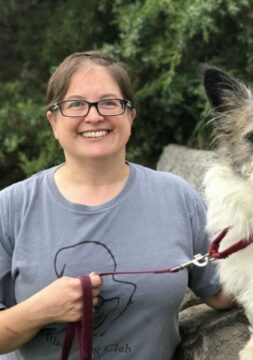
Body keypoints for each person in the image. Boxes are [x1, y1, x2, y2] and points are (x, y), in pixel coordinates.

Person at [0, 51, 233, 359]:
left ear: (130, 116)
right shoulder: (10, 207)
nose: (94, 116)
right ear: (53, 121)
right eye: (76, 104)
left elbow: (220, 292)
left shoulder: (177, 197)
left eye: (109, 102)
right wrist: (40, 310)